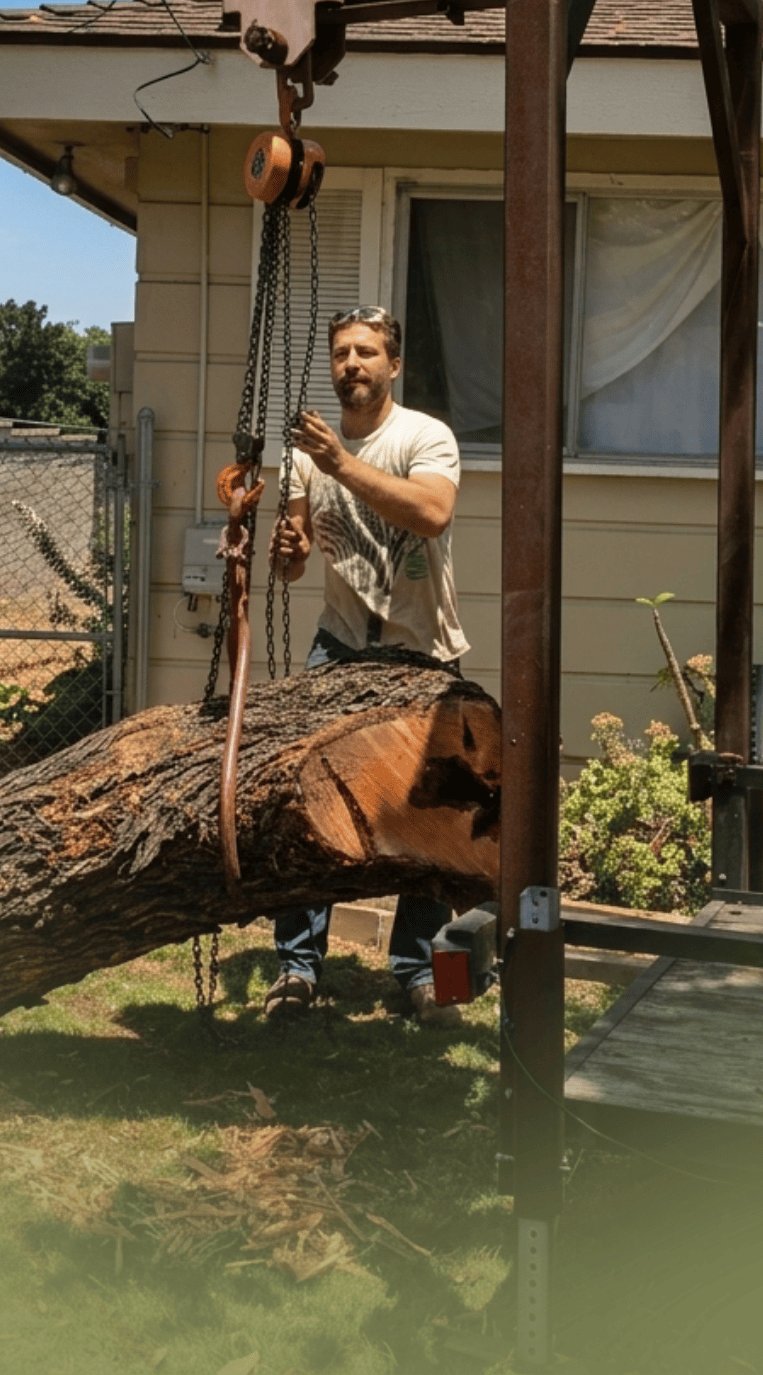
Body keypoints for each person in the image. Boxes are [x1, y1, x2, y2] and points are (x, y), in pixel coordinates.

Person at [264, 304, 470, 1028]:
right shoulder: (303, 455)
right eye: (341, 353)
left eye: (366, 352)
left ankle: (414, 969)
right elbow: (293, 553)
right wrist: (285, 553)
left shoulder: (422, 436)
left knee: (426, 814)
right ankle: (296, 966)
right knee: (302, 797)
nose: (352, 363)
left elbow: (432, 514)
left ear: (393, 364)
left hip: (420, 650)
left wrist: (340, 465)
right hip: (340, 644)